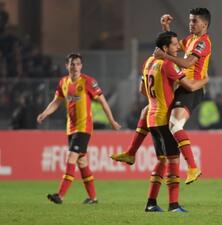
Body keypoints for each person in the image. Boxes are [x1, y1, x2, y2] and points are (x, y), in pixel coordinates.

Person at [111, 7, 211, 184]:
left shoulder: (203, 42)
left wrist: (164, 55)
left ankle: (193, 168)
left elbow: (187, 63)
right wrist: (166, 29)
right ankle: (131, 153)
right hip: (181, 86)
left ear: (205, 24)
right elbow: (173, 47)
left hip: (192, 89)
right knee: (146, 111)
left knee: (174, 124)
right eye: (189, 20)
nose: (190, 23)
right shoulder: (190, 39)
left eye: (194, 21)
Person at [37, 53, 121, 204]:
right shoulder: (63, 82)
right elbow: (56, 102)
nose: (75, 67)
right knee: (82, 163)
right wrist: (44, 113)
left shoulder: (88, 82)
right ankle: (93, 198)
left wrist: (112, 120)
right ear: (66, 66)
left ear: (81, 66)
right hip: (71, 128)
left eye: (77, 64)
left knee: (71, 157)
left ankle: (60, 195)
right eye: (72, 64)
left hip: (84, 128)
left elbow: (102, 101)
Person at [141, 31, 208, 212]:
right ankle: (173, 205)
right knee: (173, 160)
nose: (178, 47)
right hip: (163, 117)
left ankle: (151, 203)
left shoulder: (149, 62)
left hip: (151, 118)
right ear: (165, 48)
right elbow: (191, 86)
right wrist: (205, 80)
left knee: (161, 160)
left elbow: (143, 91)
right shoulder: (168, 65)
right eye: (174, 45)